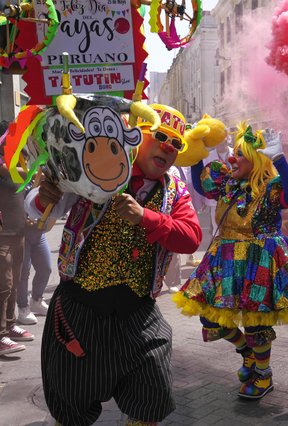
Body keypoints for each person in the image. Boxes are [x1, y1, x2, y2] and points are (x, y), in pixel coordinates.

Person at [26, 103, 202, 425]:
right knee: (71, 401)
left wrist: (147, 218)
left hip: (138, 313)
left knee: (151, 393)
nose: (169, 147)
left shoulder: (175, 186)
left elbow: (191, 237)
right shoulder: (99, 160)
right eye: (161, 136)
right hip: (80, 310)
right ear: (138, 135)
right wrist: (44, 195)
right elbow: (43, 209)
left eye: (177, 143)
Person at [174, 122, 288, 400]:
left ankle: (263, 377)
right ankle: (247, 354)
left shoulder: (270, 188)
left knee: (256, 324)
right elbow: (200, 184)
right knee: (210, 317)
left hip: (260, 261)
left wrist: (279, 157)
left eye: (240, 154)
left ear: (255, 159)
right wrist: (196, 151)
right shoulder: (227, 183)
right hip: (225, 259)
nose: (232, 158)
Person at [0, 124, 33, 355]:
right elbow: (20, 174)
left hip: (18, 233)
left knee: (15, 284)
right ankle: (0, 335)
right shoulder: (5, 166)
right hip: (3, 236)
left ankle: (10, 326)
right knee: (4, 286)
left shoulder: (18, 160)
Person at [16, 177, 53, 326]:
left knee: (46, 268)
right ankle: (23, 307)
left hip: (39, 234)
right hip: (21, 233)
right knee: (23, 272)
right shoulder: (14, 180)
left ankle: (36, 300)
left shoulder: (38, 179)